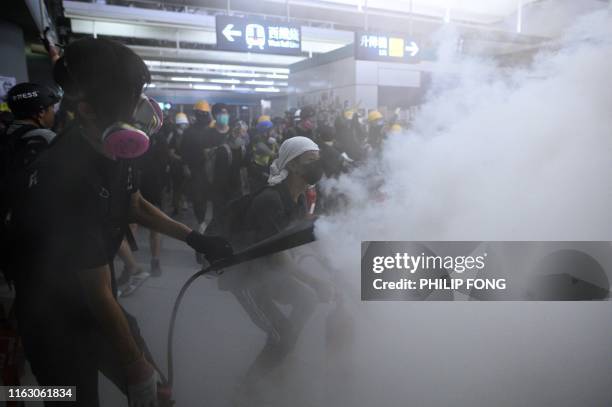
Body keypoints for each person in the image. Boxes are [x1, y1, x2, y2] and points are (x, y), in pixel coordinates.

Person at [7, 38, 232, 407]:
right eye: (128, 97)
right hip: (53, 317)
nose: (140, 107)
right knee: (70, 395)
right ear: (88, 110)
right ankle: (14, 394)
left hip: (97, 302)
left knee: (158, 394)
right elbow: (95, 291)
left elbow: (134, 204)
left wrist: (196, 238)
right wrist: (133, 364)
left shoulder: (117, 147)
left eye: (138, 94)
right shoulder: (62, 175)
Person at [221, 136, 332, 394]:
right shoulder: (270, 200)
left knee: (307, 300)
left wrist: (331, 261)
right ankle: (245, 388)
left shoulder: (300, 198)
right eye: (310, 160)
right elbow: (277, 256)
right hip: (246, 277)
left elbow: (295, 238)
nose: (317, 165)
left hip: (269, 273)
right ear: (292, 165)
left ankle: (282, 355)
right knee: (283, 334)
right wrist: (317, 281)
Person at [180, 100, 212, 227]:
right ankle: (201, 221)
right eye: (200, 113)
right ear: (196, 114)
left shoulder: (211, 130)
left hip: (211, 169)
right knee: (199, 197)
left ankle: (211, 222)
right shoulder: (189, 132)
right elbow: (183, 150)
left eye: (204, 113)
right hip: (196, 169)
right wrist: (185, 166)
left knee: (211, 196)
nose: (202, 116)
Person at [248, 115, 279, 191]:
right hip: (258, 173)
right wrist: (274, 154)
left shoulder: (271, 140)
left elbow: (278, 151)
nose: (273, 132)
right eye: (271, 130)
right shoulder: (257, 139)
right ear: (265, 132)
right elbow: (263, 149)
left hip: (268, 171)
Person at [167, 112, 189, 216]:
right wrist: (182, 159)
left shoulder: (187, 135)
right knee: (176, 187)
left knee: (183, 186)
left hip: (184, 165)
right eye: (183, 124)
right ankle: (176, 206)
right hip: (176, 166)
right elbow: (170, 153)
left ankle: (182, 203)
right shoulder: (173, 135)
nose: (185, 125)